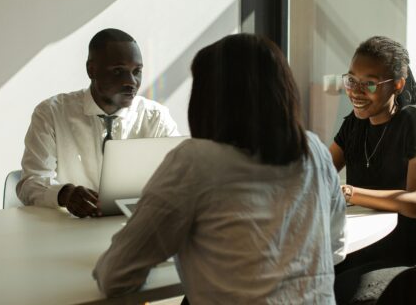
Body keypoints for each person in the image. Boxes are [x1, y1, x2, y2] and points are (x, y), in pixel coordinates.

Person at [92, 33, 346, 303]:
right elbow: (335, 248)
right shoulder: (314, 150)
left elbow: (115, 276)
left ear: (210, 97)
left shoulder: (196, 162)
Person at [17, 28, 180, 218]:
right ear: (91, 69)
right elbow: (30, 183)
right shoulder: (51, 113)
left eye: (137, 71)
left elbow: (182, 176)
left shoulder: (156, 117)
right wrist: (63, 194)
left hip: (135, 227)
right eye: (118, 71)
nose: (131, 82)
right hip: (68, 229)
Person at [329, 36, 416, 304]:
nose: (356, 91)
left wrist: (350, 193)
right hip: (365, 244)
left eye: (369, 83)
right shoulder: (354, 124)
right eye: (351, 80)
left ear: (398, 85)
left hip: (404, 252)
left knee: (330, 289)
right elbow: (320, 171)